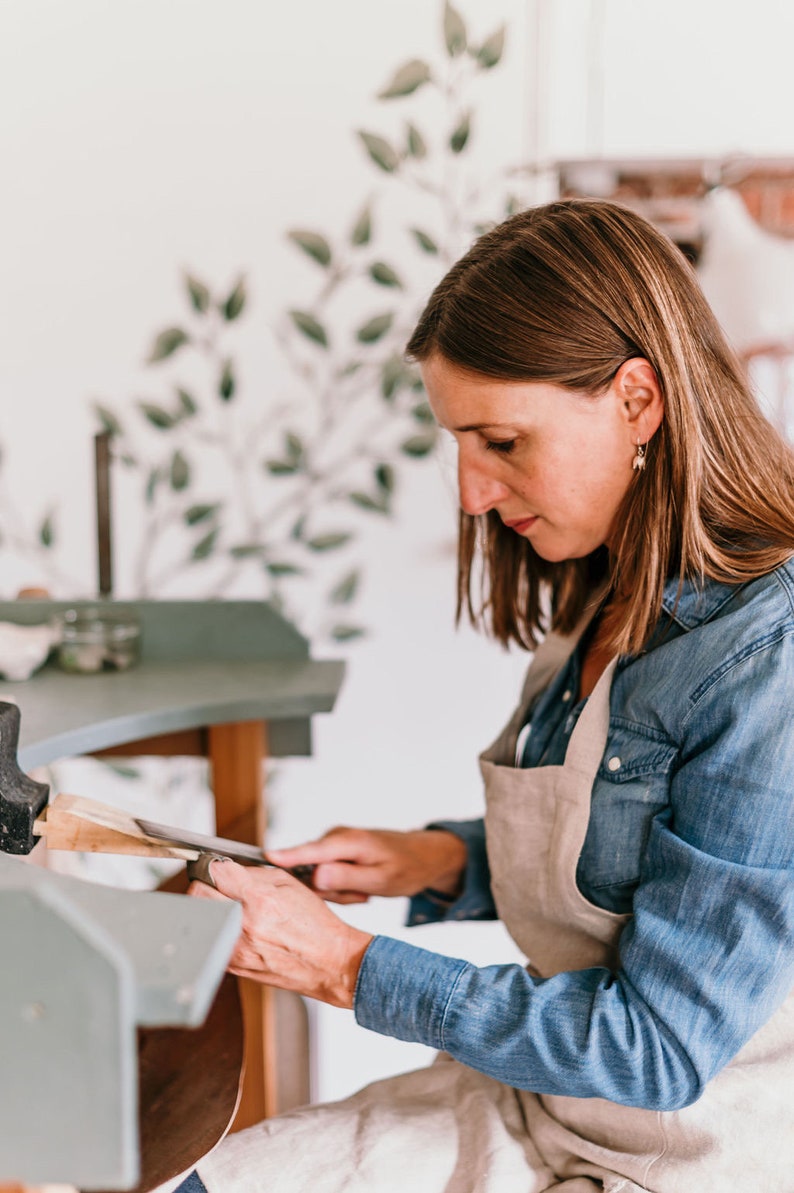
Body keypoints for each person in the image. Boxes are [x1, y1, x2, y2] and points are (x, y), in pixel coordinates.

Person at [175, 198, 794, 1192]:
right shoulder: (603, 582)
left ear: (637, 400)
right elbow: (621, 848)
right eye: (457, 442)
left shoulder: (768, 658)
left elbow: (654, 1055)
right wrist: (433, 859)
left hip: (692, 1142)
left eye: (501, 441)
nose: (469, 492)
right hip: (547, 1097)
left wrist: (343, 963)